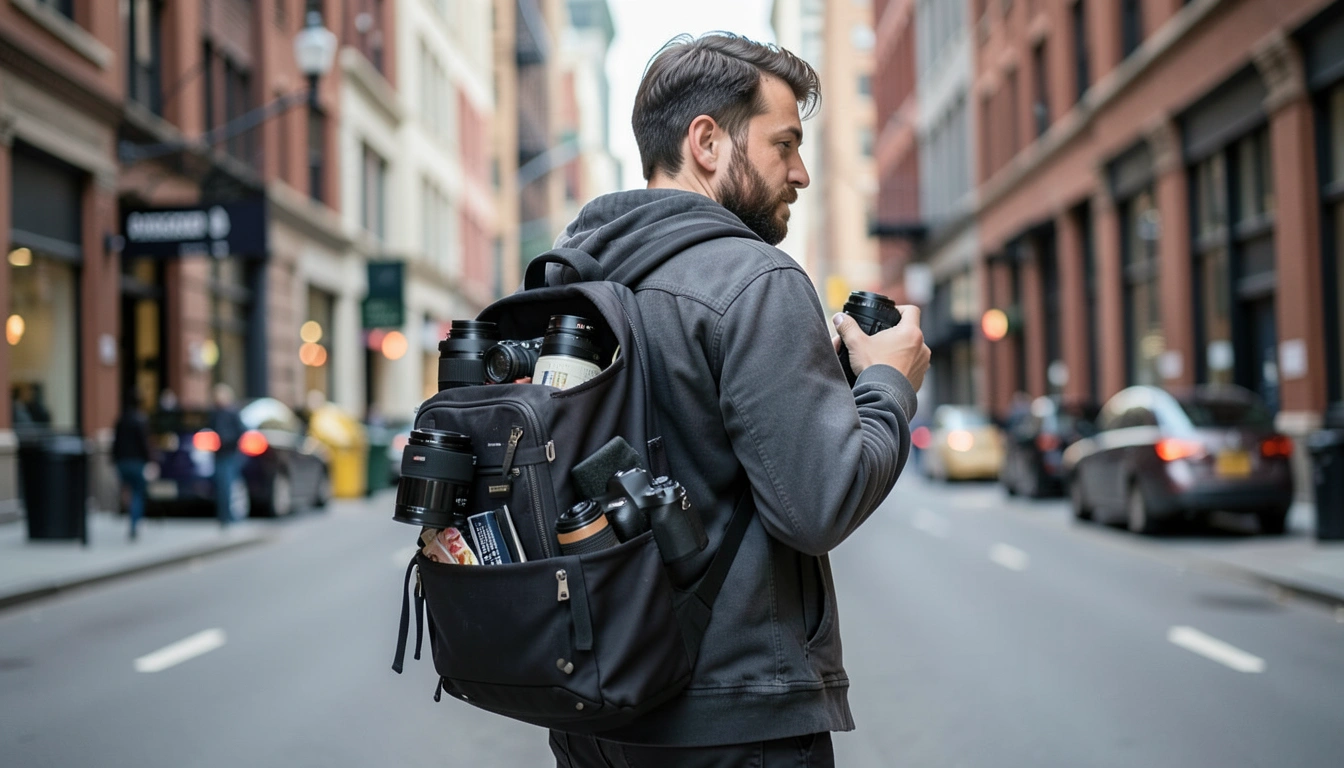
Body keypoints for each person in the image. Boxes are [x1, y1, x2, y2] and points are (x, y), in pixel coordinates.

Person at [544, 32, 930, 768]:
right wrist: (888, 383)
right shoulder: (755, 279)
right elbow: (818, 504)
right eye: (785, 144)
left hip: (594, 717)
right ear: (708, 143)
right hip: (734, 726)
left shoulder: (575, 282)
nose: (804, 173)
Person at [111, 392, 155, 540]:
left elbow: (115, 443)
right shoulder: (141, 420)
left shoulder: (121, 420)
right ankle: (134, 522)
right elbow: (144, 443)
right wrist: (150, 459)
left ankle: (129, 515)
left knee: (127, 491)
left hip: (122, 461)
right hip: (136, 462)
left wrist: (114, 459)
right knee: (137, 493)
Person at [208, 383, 246, 526]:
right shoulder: (214, 413)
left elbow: (241, 431)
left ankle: (228, 515)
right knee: (221, 485)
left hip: (230, 453)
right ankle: (223, 515)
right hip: (218, 454)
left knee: (228, 485)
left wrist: (229, 441)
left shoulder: (232, 412)